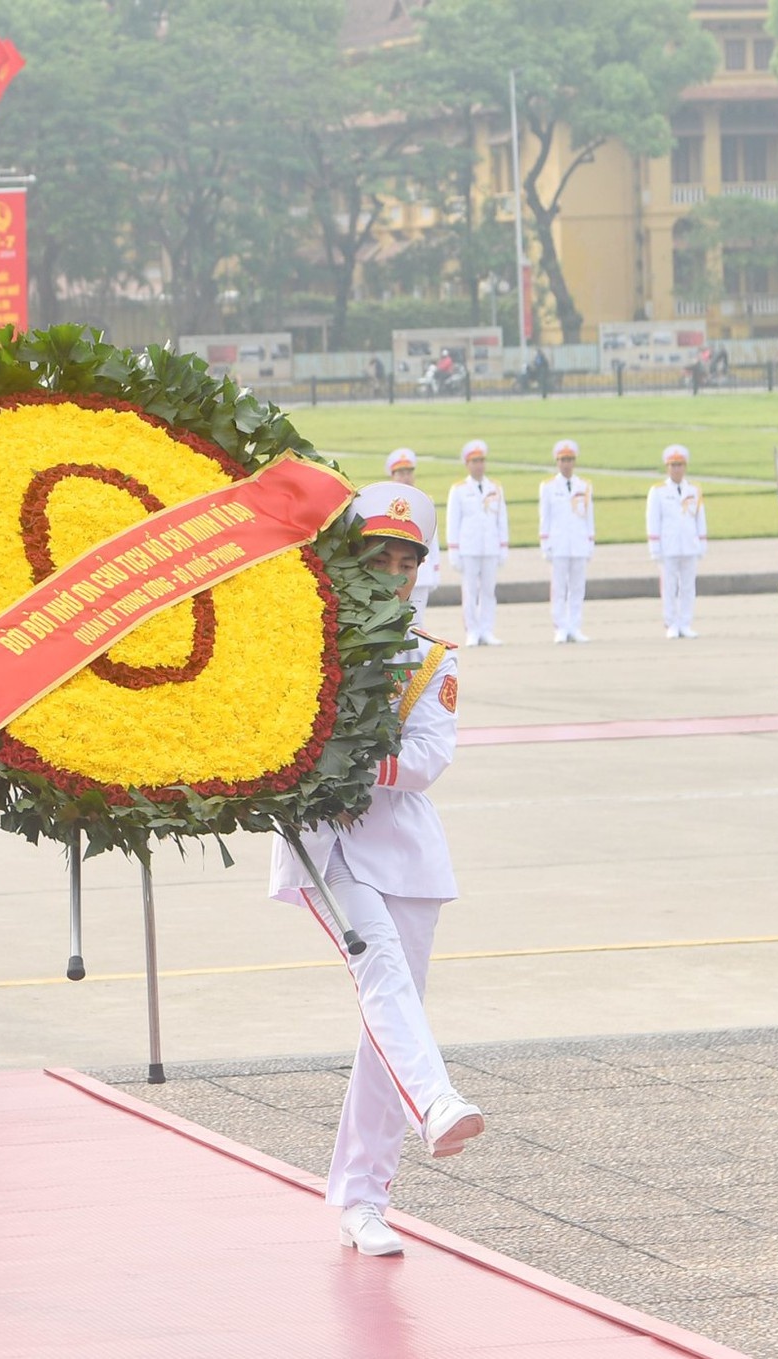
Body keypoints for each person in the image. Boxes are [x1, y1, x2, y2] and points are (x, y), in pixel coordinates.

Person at [269, 482, 484, 1258]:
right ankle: (436, 1100)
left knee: (388, 1024)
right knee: (384, 979)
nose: (392, 572)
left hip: (407, 851)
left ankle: (364, 1195)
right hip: (328, 845)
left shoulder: (432, 656)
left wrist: (354, 758)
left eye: (405, 561)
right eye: (378, 557)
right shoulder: (307, 638)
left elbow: (427, 759)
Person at [445, 440, 508, 647]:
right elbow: (453, 522)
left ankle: (487, 630)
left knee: (489, 591)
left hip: (490, 546)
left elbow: (501, 519)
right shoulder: (459, 489)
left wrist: (503, 546)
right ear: (467, 464)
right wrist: (453, 551)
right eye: (474, 461)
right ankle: (472, 631)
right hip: (468, 547)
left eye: (481, 460)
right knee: (470, 591)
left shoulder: (495, 488)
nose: (479, 465)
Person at [646, 445, 707, 639]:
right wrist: (654, 547)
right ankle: (671, 623)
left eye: (679, 465)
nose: (676, 469)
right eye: (673, 465)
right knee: (669, 586)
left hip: (689, 544)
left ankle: (685, 622)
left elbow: (700, 518)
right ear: (667, 467)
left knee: (688, 586)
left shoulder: (694, 490)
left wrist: (702, 542)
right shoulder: (658, 491)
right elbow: (653, 520)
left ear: (685, 466)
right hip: (668, 546)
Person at [538, 439, 595, 643]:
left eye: (570, 459)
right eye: (563, 460)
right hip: (559, 544)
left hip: (579, 543)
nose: (566, 464)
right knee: (559, 587)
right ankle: (561, 627)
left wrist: (590, 542)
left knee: (578, 588)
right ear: (557, 462)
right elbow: (545, 517)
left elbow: (589, 517)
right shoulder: (548, 487)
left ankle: (575, 626)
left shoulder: (585, 485)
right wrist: (545, 543)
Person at [384, 450, 438, 612]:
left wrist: (435, 569)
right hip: (393, 570)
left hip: (419, 567)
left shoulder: (425, 501)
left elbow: (432, 538)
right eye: (401, 473)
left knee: (417, 622)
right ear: (392, 475)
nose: (405, 477)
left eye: (408, 472)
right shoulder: (386, 502)